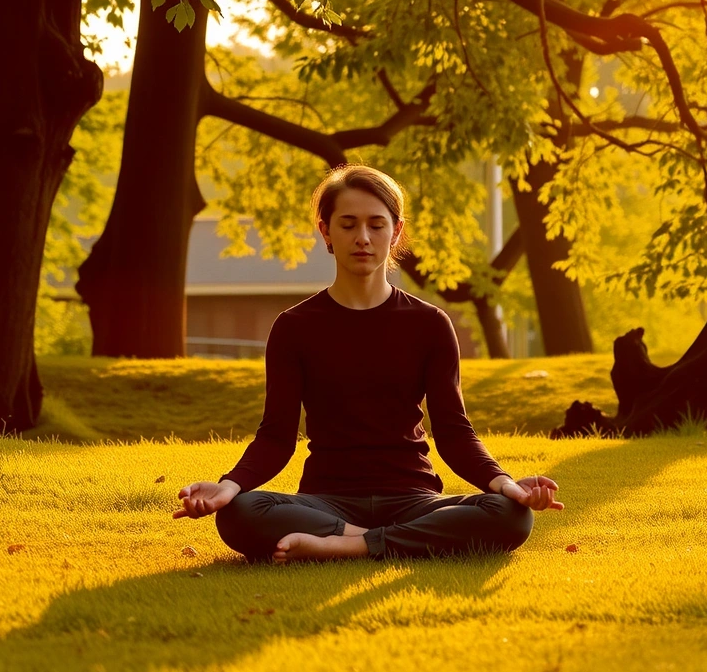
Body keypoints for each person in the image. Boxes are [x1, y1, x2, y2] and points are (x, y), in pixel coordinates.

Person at [173, 164, 563, 563]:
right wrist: (230, 486)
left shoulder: (430, 324)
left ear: (395, 232)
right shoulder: (294, 327)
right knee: (239, 513)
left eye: (376, 225)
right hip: (327, 502)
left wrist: (504, 484)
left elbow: (454, 432)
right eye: (348, 224)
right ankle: (382, 541)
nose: (363, 238)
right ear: (325, 231)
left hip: (413, 497)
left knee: (511, 516)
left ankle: (347, 546)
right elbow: (276, 437)